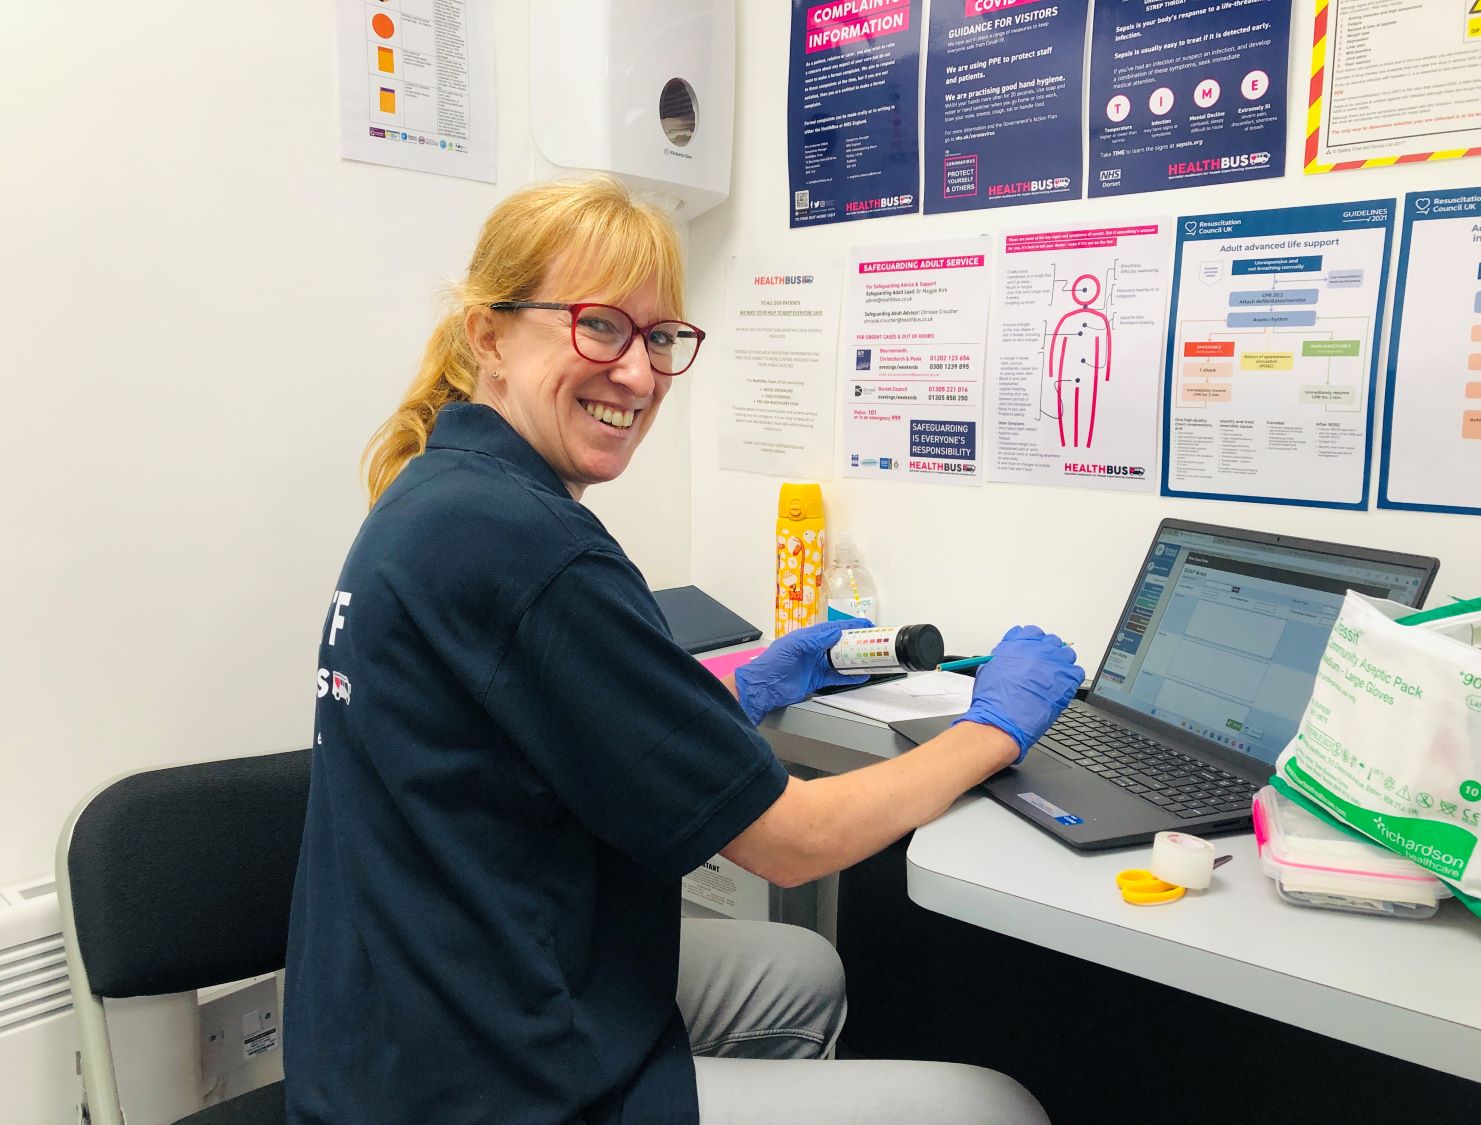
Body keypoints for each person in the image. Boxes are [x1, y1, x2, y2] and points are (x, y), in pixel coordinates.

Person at [283, 175, 1084, 1124]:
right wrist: (997, 726)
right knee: (993, 1108)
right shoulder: (529, 545)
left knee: (802, 973)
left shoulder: (434, 494)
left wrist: (737, 686)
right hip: (488, 1086)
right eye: (601, 327)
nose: (638, 373)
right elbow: (795, 844)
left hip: (398, 1027)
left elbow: (540, 728)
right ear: (488, 336)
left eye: (660, 337)